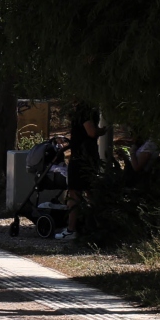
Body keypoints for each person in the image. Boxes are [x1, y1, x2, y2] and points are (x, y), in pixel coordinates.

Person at [57, 103, 100, 241]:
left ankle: (71, 229)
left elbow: (91, 131)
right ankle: (94, 225)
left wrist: (100, 131)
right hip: (88, 157)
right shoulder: (91, 111)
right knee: (89, 191)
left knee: (74, 194)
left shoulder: (83, 112)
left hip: (80, 159)